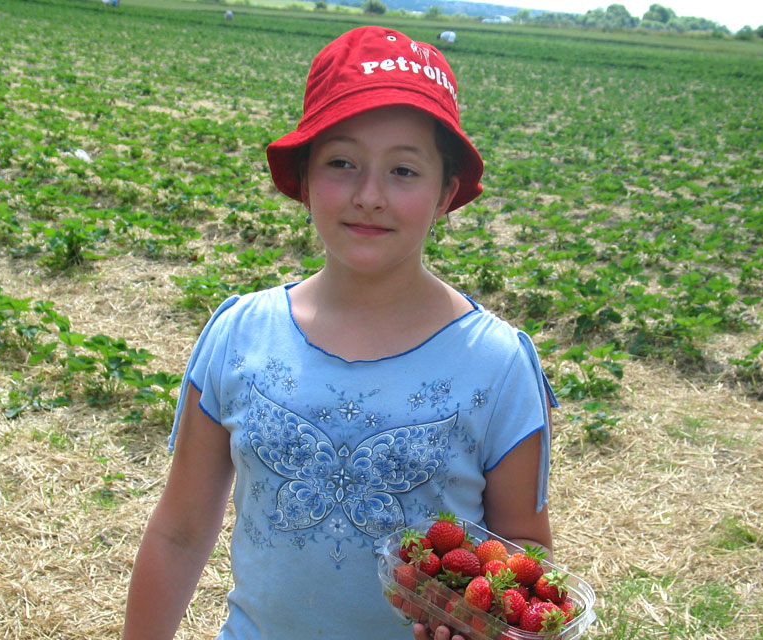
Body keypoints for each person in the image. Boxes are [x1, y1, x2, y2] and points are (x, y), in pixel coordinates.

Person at [121, 25, 557, 640]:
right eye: (342, 163)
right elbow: (180, 529)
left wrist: (484, 619)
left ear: (446, 192)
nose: (369, 195)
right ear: (303, 178)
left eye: (404, 170)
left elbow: (525, 549)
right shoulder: (241, 335)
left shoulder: (497, 363)